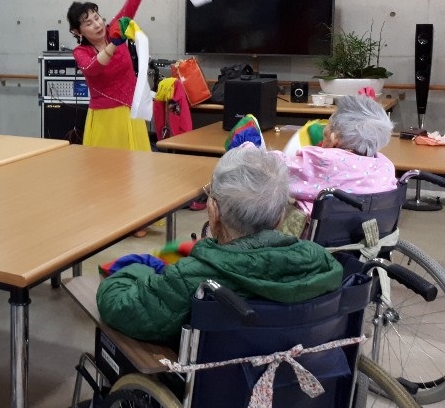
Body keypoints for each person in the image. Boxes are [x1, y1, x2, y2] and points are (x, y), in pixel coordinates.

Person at [96, 146, 343, 344]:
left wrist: (138, 270)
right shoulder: (321, 262)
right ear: (280, 218)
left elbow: (119, 305)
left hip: (214, 384)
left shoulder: (192, 278)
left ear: (213, 211)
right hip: (295, 377)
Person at [66, 0, 154, 151]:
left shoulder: (114, 28)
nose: (97, 24)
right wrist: (114, 43)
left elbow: (133, 0)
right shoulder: (81, 52)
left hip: (131, 113)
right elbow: (93, 67)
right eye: (88, 23)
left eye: (96, 17)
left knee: (137, 164)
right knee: (105, 168)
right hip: (105, 120)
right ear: (78, 32)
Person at [271, 94, 397, 217]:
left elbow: (270, 168)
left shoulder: (323, 162)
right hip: (366, 229)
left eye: (325, 133)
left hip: (315, 230)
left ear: (334, 138)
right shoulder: (386, 166)